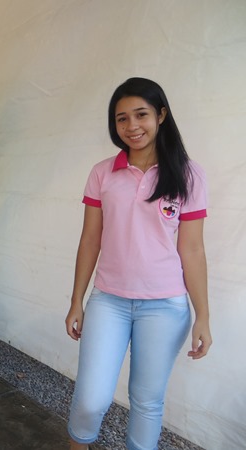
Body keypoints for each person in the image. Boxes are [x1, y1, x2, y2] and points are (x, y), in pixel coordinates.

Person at [64, 77, 212, 450]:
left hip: (166, 306)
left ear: (161, 115)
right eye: (122, 118)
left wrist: (203, 316)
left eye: (141, 114)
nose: (132, 126)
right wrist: (77, 300)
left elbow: (193, 250)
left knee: (147, 402)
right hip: (109, 300)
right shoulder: (102, 173)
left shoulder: (189, 174)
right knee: (90, 398)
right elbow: (90, 239)